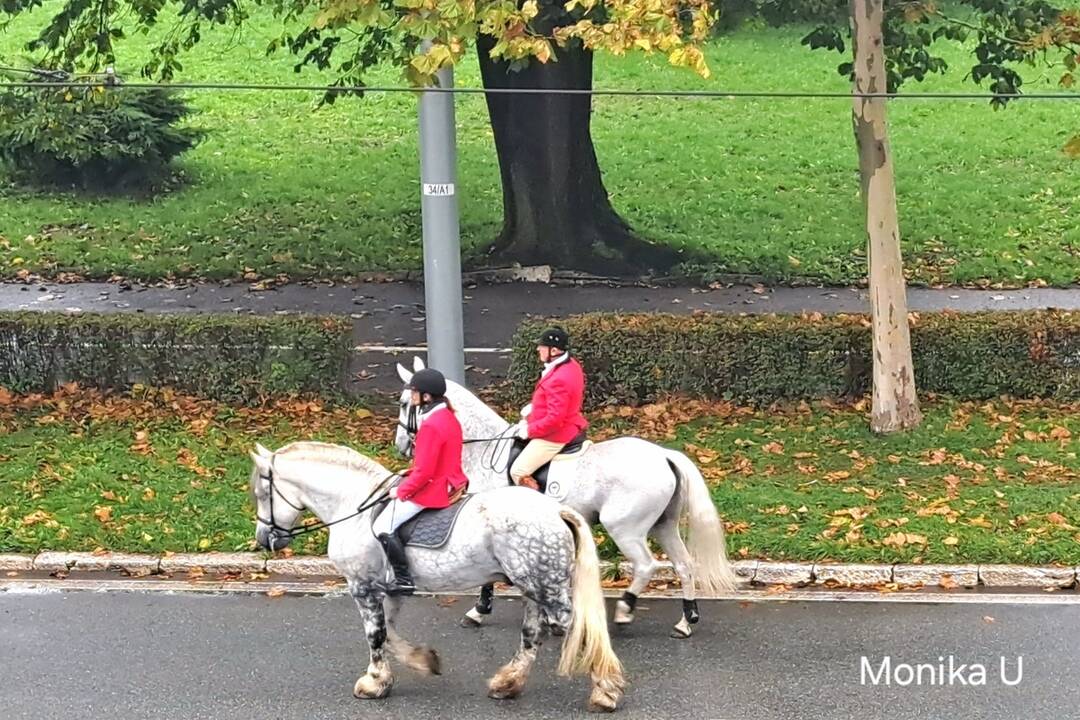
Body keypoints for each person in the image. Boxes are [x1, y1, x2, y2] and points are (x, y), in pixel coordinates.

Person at [374, 367, 468, 595]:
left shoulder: (432, 425)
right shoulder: (448, 416)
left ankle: (403, 579)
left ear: (426, 396)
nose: (412, 395)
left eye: (414, 391)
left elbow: (425, 473)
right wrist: (409, 472)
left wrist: (401, 491)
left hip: (436, 487)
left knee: (382, 526)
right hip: (452, 478)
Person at [510, 326, 588, 491]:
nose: (538, 349)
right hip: (569, 420)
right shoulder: (571, 364)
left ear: (554, 350)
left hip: (556, 434)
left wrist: (529, 430)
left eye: (542, 346)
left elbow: (554, 419)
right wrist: (535, 409)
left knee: (518, 471)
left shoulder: (558, 379)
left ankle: (538, 504)